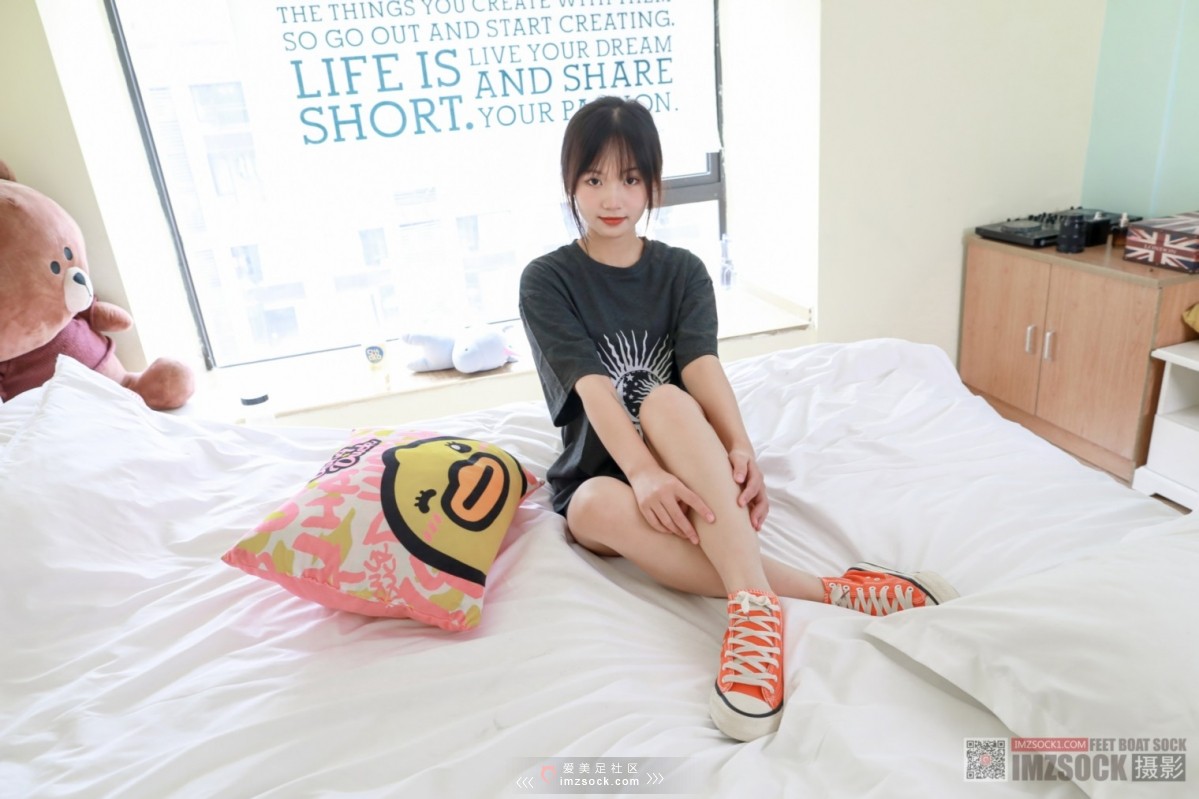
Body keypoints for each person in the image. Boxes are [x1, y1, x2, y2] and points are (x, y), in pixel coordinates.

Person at [518, 96, 957, 742]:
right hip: (608, 462)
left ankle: (753, 614)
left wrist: (739, 447)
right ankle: (833, 590)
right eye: (594, 178)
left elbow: (699, 367)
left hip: (682, 445)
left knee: (664, 398)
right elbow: (591, 387)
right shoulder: (547, 279)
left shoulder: (681, 271)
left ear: (652, 184)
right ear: (570, 183)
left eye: (630, 178)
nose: (613, 197)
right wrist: (641, 474)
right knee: (587, 508)